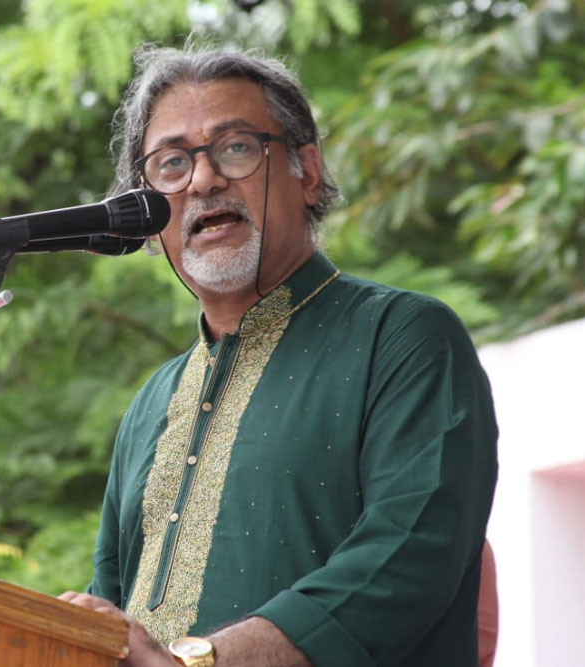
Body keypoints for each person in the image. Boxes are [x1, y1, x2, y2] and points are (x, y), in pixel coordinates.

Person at [60, 45, 499, 666]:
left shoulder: (405, 337)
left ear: (307, 171)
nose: (203, 180)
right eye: (171, 163)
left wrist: (198, 661)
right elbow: (113, 607)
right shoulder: (150, 405)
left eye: (236, 147)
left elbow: (409, 557)